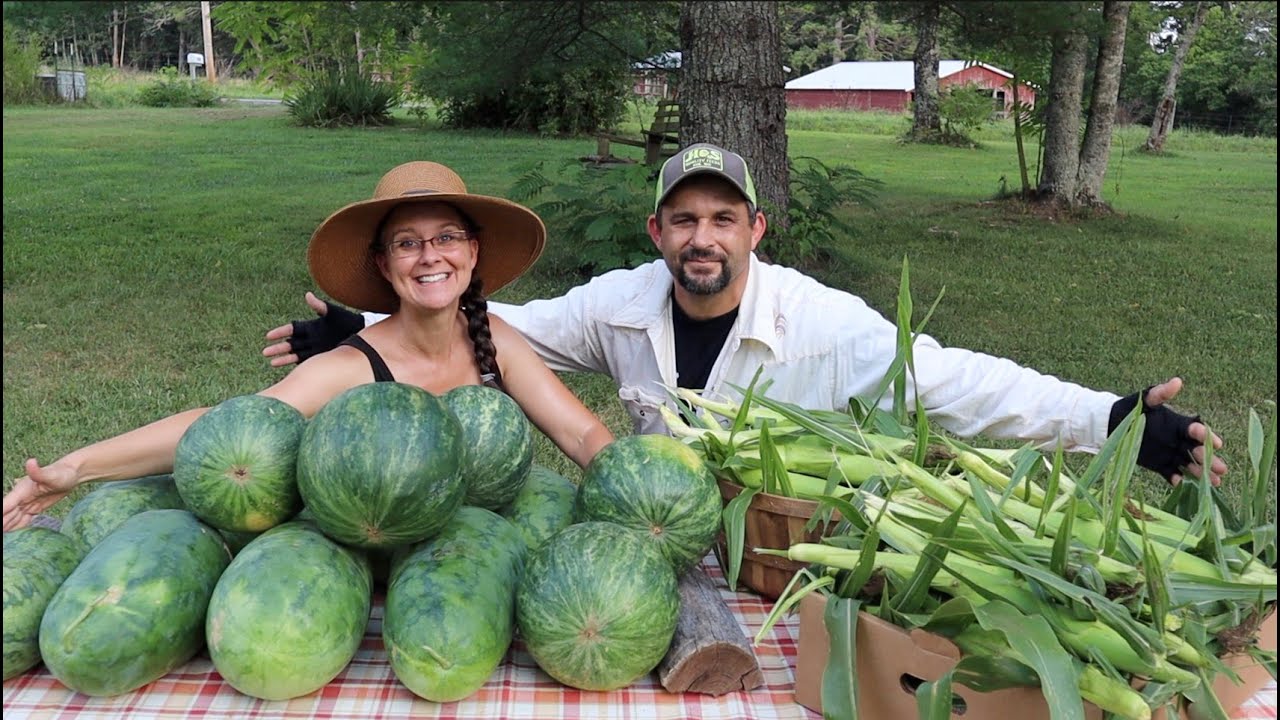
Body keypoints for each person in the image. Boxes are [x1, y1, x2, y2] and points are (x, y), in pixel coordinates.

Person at [262, 143, 1226, 487]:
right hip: (657, 520)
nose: (702, 238)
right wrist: (358, 333)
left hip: (774, 543)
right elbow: (491, 325)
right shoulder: (619, 305)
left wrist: (1110, 421)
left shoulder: (822, 319)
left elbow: (950, 378)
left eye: (723, 218)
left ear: (756, 226)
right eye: (684, 219)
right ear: (656, 229)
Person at [2, 161, 615, 531]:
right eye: (407, 243)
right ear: (382, 262)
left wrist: (637, 494)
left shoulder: (496, 341)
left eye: (447, 237)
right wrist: (76, 469)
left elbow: (581, 434)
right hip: (385, 558)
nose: (430, 256)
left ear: (473, 251)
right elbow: (226, 428)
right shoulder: (353, 366)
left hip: (486, 549)